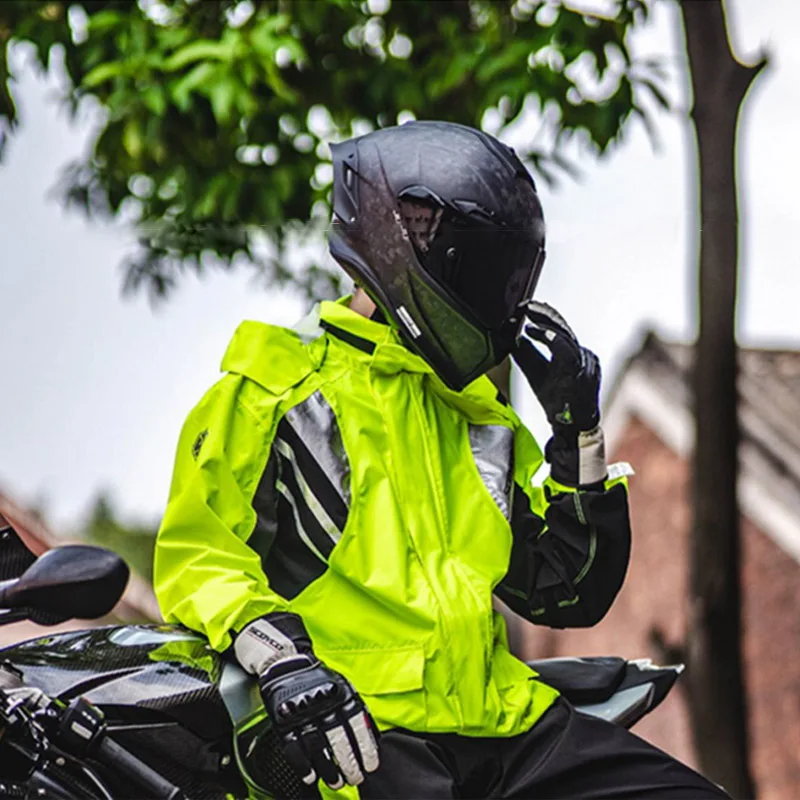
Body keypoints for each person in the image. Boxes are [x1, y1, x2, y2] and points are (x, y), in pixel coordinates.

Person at [154, 121, 727, 799]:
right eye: (481, 271)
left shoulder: (477, 416)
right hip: (363, 739)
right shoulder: (274, 392)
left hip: (506, 727)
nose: (498, 298)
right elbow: (201, 560)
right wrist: (284, 665)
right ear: (405, 245)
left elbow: (567, 589)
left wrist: (579, 432)